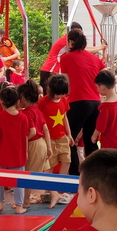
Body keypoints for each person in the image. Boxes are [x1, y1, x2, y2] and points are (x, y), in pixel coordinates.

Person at [59, 29, 107, 165]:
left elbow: (67, 83)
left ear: (71, 42)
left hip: (78, 100)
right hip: (96, 101)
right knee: (91, 140)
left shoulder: (66, 58)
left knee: (70, 138)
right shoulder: (95, 59)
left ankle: (74, 171)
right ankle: (94, 171)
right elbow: (105, 76)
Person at [0, 85, 34, 214]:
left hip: (1, 155)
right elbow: (25, 136)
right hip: (18, 155)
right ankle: (19, 206)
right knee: (19, 182)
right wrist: (25, 152)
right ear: (17, 101)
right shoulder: (23, 118)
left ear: (1, 101)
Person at [39, 74, 73, 206]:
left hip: (62, 137)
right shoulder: (42, 102)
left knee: (66, 160)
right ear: (49, 89)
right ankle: (49, 190)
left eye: (61, 94)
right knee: (49, 165)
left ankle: (60, 186)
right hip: (49, 139)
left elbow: (65, 117)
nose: (59, 96)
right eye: (57, 93)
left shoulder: (64, 100)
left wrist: (69, 134)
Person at [94, 71, 117, 155]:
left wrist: (94, 136)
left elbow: (101, 126)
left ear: (102, 87)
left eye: (97, 86)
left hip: (111, 143)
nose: (96, 89)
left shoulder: (106, 106)